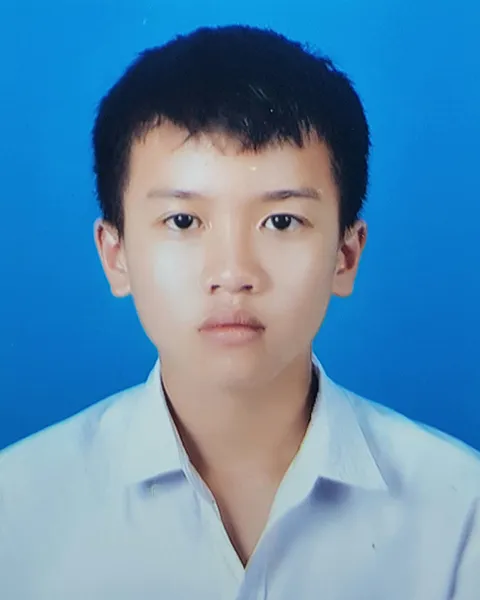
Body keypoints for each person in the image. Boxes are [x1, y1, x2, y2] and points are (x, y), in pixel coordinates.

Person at [0, 24, 479, 600]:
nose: (232, 272)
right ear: (115, 254)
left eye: (281, 221)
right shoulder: (17, 508)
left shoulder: (461, 513)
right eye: (183, 221)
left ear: (346, 255)